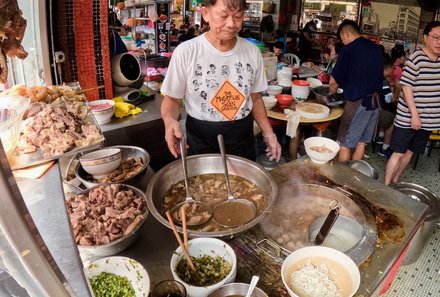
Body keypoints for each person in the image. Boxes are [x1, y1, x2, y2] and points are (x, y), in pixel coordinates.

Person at [160, 0, 281, 162]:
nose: (231, 24)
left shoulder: (252, 52)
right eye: (223, 16)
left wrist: (269, 134)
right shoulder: (186, 52)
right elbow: (172, 100)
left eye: (237, 17)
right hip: (201, 137)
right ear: (205, 14)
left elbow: (256, 98)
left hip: (242, 136)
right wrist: (169, 122)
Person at [384, 21, 440, 185]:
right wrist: (415, 115)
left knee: (410, 153)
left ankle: (396, 180)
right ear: (425, 38)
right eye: (435, 37)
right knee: (398, 153)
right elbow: (406, 87)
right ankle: (386, 187)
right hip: (408, 117)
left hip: (428, 120)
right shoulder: (416, 58)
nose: (439, 42)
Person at [329, 20, 384, 162]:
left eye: (342, 39)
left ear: (346, 33)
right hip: (375, 103)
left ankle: (342, 181)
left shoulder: (348, 50)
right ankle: (354, 179)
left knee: (344, 143)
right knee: (361, 142)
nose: (343, 42)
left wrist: (332, 95)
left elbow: (333, 81)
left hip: (357, 104)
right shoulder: (376, 48)